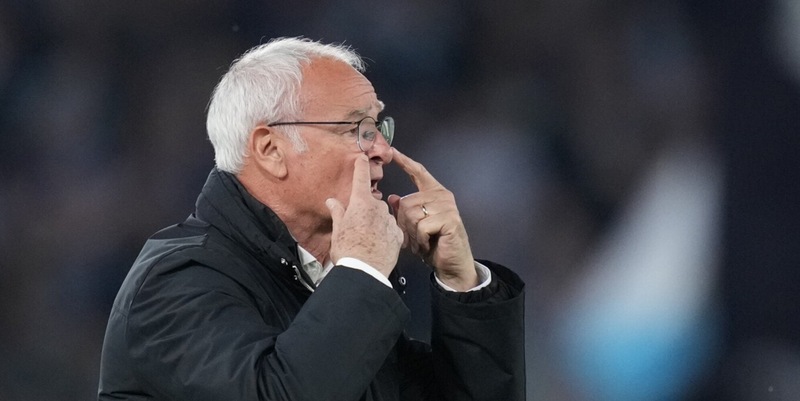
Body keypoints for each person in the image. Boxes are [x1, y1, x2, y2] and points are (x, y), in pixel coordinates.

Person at [97, 37, 525, 401]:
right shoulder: (175, 284)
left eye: (378, 127)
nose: (382, 150)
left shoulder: (333, 289)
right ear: (271, 150)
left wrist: (463, 287)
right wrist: (361, 272)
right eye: (356, 129)